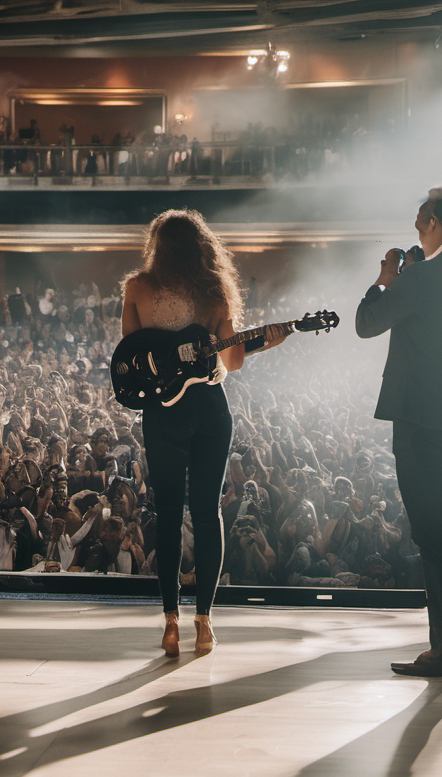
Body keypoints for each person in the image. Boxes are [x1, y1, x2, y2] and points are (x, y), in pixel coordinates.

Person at [121, 208, 286, 656]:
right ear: (202, 247)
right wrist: (263, 343)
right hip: (209, 408)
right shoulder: (215, 293)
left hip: (162, 412)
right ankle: (205, 622)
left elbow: (129, 356)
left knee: (169, 515)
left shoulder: (138, 289)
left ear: (158, 245)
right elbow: (230, 363)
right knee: (209, 512)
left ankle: (170, 623)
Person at [355, 186, 442, 678]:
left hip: (420, 421)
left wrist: (384, 280)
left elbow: (366, 325)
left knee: (431, 536)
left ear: (434, 222)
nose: (416, 227)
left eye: (420, 219)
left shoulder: (420, 279)